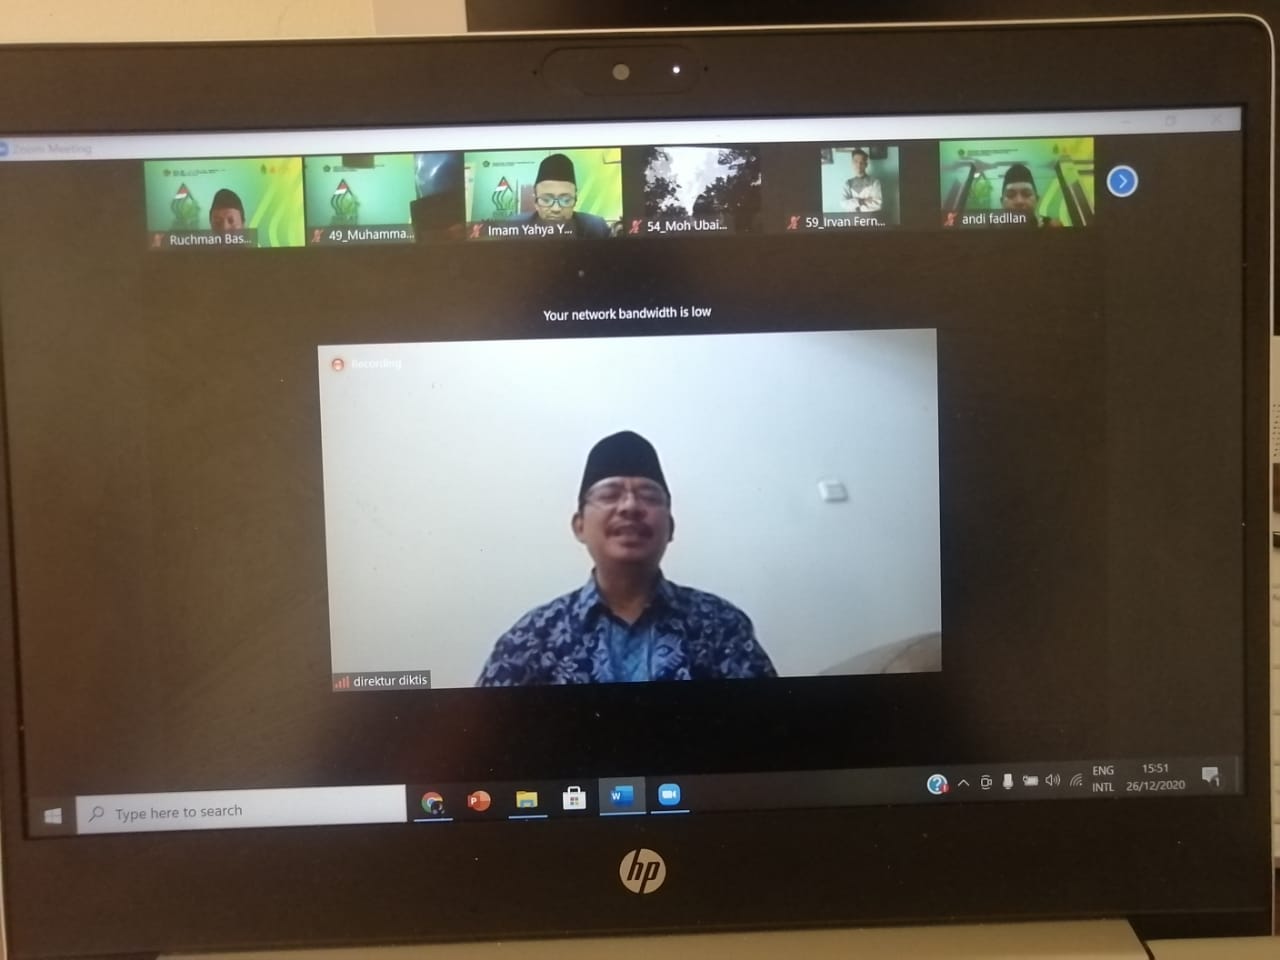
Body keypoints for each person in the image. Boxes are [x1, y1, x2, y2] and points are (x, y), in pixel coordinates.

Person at [477, 431, 776, 685]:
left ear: (670, 528)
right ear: (579, 526)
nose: (630, 506)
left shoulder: (721, 626)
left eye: (649, 496)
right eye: (610, 494)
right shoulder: (532, 637)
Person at [512, 153, 613, 238]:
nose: (556, 209)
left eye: (566, 200)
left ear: (575, 200)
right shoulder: (514, 228)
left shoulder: (596, 228)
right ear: (536, 202)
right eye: (546, 200)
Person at [840, 148, 883, 214]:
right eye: (856, 161)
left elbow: (878, 204)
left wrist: (853, 205)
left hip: (870, 218)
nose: (859, 165)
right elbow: (843, 204)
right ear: (852, 163)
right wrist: (862, 201)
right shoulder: (848, 183)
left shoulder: (875, 182)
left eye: (862, 162)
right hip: (853, 219)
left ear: (866, 164)